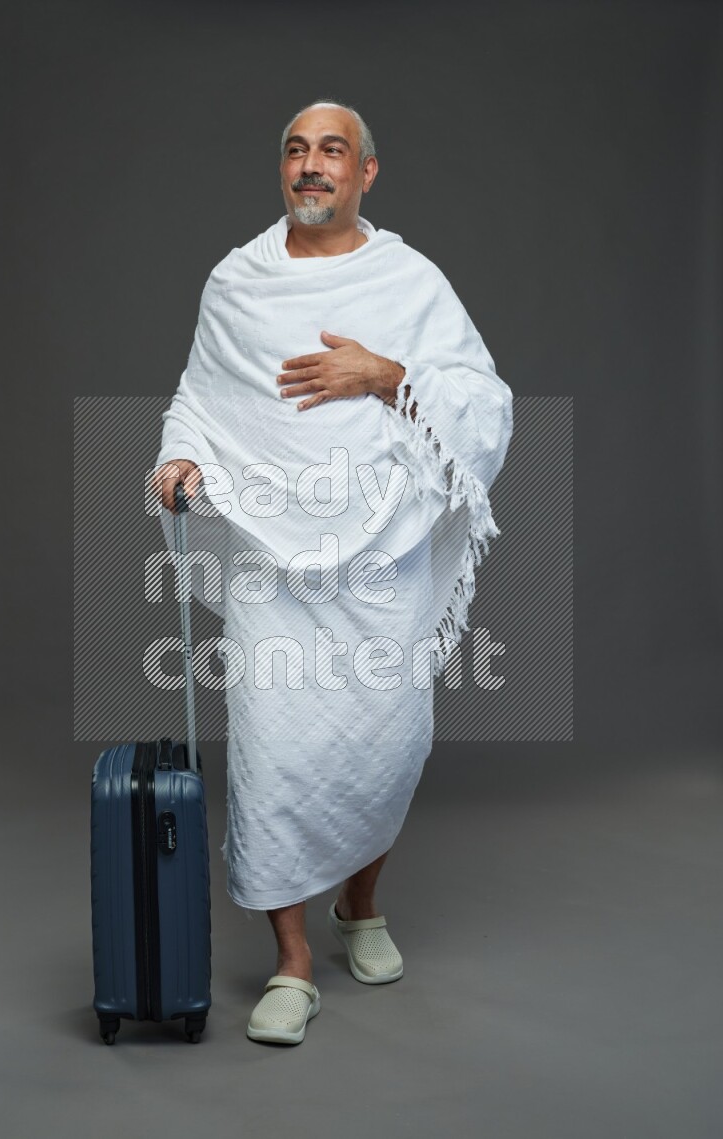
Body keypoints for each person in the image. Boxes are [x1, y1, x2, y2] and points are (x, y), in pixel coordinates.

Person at [151, 99, 513, 1045]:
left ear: (367, 172)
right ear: (283, 169)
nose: (312, 166)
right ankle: (293, 959)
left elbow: (482, 400)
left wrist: (388, 374)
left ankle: (360, 906)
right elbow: (197, 395)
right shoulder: (236, 282)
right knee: (272, 748)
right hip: (273, 560)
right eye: (297, 151)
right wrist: (181, 457)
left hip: (382, 558)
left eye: (333, 151)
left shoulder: (409, 279)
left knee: (387, 748)